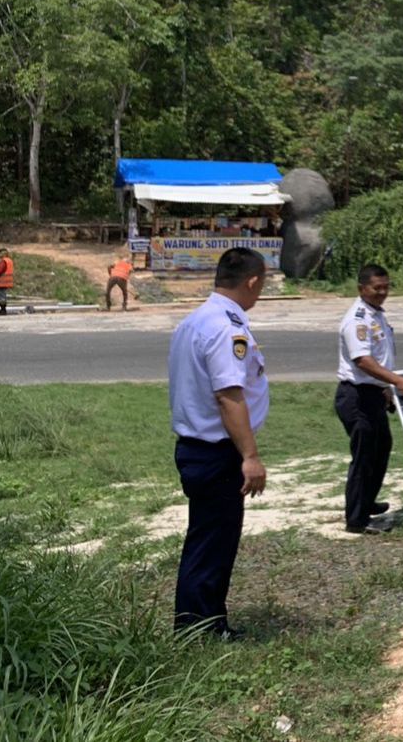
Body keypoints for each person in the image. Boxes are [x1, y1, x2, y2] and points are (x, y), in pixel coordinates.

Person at [168, 247, 270, 640]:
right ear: (252, 281)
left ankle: (202, 622)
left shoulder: (195, 320)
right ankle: (200, 629)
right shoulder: (228, 328)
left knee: (207, 539)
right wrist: (250, 455)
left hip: (196, 448)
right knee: (213, 544)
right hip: (216, 453)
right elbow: (230, 397)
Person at [336, 264, 403, 535]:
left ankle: (367, 501)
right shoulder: (358, 319)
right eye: (377, 288)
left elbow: (377, 360)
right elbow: (362, 360)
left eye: (386, 287)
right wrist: (398, 381)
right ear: (362, 288)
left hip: (372, 393)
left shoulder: (375, 314)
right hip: (356, 397)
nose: (382, 292)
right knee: (364, 457)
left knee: (381, 448)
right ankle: (356, 520)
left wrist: (385, 388)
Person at [0, 247, 11, 316]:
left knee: (1, 296)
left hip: (1, 282)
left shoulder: (3, 261)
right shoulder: (9, 260)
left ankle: (3, 310)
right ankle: (3, 309)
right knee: (2, 296)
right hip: (5, 282)